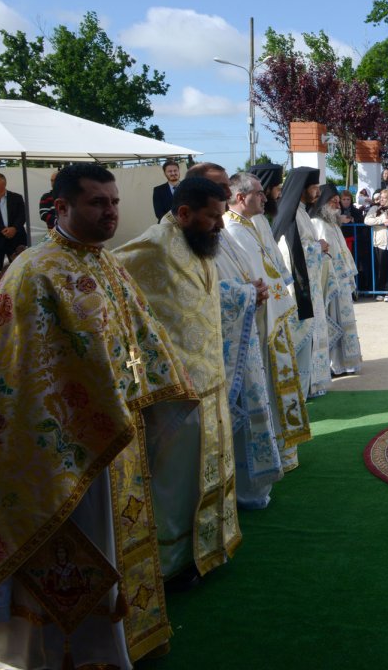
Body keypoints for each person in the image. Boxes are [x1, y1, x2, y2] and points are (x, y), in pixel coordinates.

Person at [0, 163, 193, 667]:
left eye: (113, 202)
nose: (110, 212)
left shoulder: (105, 263)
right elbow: (16, 374)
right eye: (97, 202)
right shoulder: (33, 271)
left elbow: (141, 337)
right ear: (61, 207)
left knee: (112, 541)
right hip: (58, 450)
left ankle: (118, 642)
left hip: (116, 436)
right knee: (74, 546)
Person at [115, 177, 240, 588]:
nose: (220, 225)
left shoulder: (200, 242)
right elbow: (107, 282)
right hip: (174, 388)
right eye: (212, 217)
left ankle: (209, 547)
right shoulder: (150, 246)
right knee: (174, 480)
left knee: (206, 470)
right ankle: (170, 564)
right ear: (184, 214)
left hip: (211, 382)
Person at [187, 164, 286, 511]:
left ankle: (249, 486)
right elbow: (196, 294)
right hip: (222, 343)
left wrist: (254, 290)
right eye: (219, 188)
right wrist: (247, 293)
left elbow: (247, 270)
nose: (225, 195)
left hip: (242, 330)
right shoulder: (199, 232)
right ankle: (234, 488)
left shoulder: (222, 229)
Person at [223, 172, 310, 478]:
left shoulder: (254, 223)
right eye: (259, 193)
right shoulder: (231, 230)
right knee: (267, 387)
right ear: (240, 198)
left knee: (278, 383)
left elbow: (271, 265)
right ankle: (271, 451)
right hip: (260, 322)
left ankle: (284, 448)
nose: (266, 197)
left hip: (272, 314)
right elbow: (251, 276)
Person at [274, 167, 331, 399]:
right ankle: (302, 388)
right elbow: (290, 254)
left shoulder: (301, 212)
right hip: (298, 288)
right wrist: (319, 247)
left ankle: (311, 385)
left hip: (310, 283)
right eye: (314, 187)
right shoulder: (291, 214)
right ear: (302, 188)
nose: (318, 192)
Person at [310, 184, 364, 376]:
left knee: (344, 320)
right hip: (329, 281)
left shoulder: (333, 223)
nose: (337, 204)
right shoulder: (316, 223)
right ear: (322, 203)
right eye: (332, 201)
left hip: (341, 281)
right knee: (332, 321)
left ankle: (347, 362)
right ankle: (333, 364)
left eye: (337, 201)